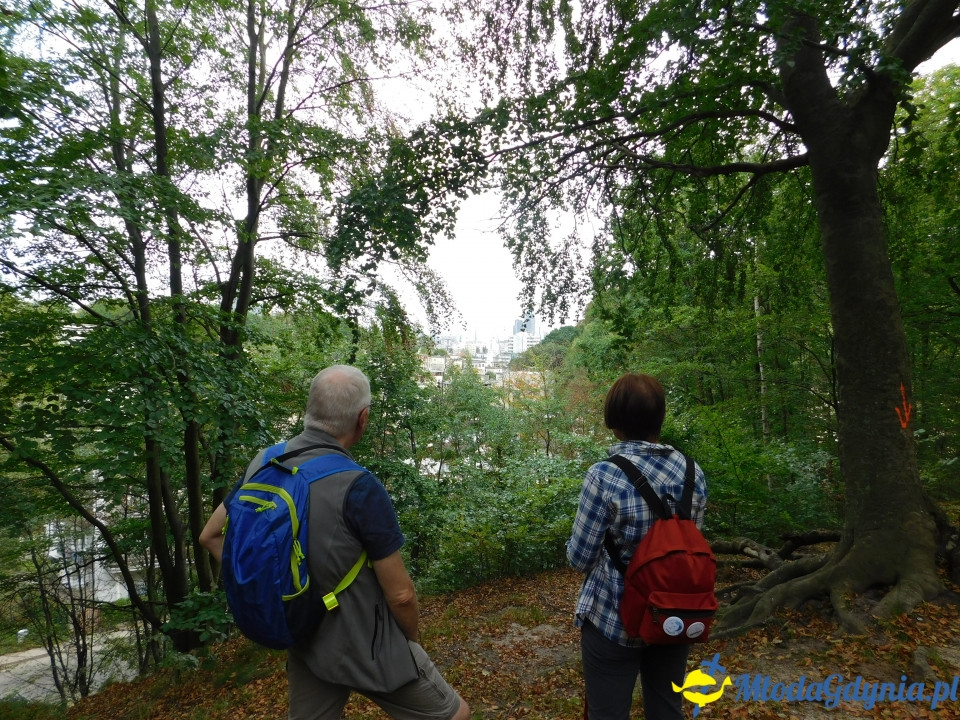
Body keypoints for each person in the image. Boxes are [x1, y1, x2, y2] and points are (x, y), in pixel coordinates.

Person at [200, 365, 469, 720]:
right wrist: (409, 642)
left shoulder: (265, 462)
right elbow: (401, 595)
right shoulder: (358, 486)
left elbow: (211, 535)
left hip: (303, 639)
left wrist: (278, 589)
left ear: (311, 408)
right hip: (369, 644)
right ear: (363, 418)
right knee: (455, 714)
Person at [567, 373, 707, 720]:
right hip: (675, 613)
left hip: (614, 619)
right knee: (666, 708)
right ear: (659, 418)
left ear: (614, 422)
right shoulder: (693, 472)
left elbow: (580, 557)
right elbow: (689, 547)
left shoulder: (604, 476)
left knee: (608, 713)